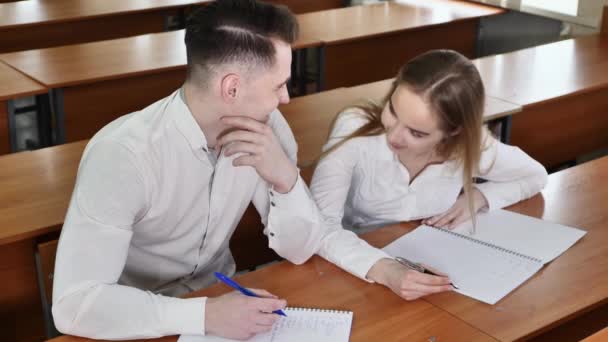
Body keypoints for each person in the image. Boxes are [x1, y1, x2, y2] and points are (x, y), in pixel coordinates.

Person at [52, 0, 326, 340]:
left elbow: (300, 250)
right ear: (232, 88)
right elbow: (74, 305)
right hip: (136, 318)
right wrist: (205, 314)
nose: (286, 98)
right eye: (278, 85)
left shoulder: (267, 129)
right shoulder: (122, 156)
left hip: (221, 300)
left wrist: (286, 179)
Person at [311, 50, 548, 301]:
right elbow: (319, 227)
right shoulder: (354, 128)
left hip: (422, 257)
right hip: (346, 264)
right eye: (392, 110)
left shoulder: (469, 149)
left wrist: (478, 197)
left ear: (453, 132)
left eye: (416, 133)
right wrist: (386, 269)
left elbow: (534, 176)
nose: (393, 136)